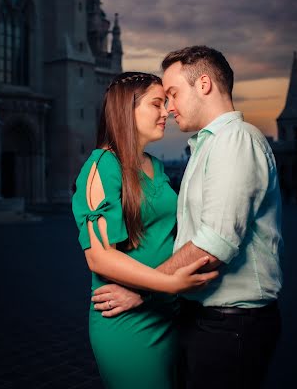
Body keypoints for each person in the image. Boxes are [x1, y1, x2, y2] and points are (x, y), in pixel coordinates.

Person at [92, 47, 283, 389]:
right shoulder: (205, 146)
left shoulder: (235, 140)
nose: (170, 107)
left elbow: (214, 243)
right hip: (199, 317)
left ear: (205, 84)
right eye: (161, 100)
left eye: (173, 94)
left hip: (231, 322)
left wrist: (142, 290)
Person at [72, 71, 218, 389]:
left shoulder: (156, 165)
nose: (166, 111)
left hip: (171, 314)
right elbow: (99, 259)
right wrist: (168, 282)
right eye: (156, 103)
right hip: (128, 322)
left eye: (165, 103)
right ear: (128, 109)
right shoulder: (102, 166)